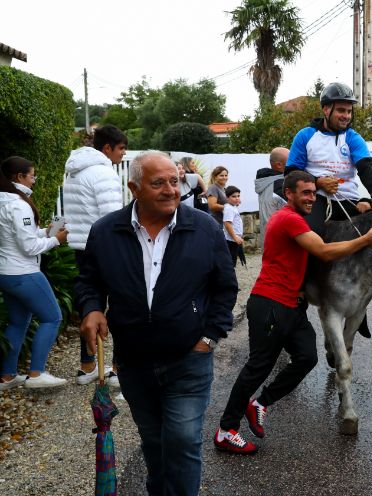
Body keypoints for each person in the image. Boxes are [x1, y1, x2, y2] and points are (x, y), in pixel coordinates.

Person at [74, 151, 238, 495]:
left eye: (174, 181)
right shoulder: (106, 232)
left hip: (188, 358)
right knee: (153, 442)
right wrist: (91, 308)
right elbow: (89, 281)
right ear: (134, 187)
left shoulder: (204, 228)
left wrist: (208, 339)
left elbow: (225, 288)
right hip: (134, 363)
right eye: (158, 182)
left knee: (181, 440)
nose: (170, 190)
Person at [215, 171, 372, 454]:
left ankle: (260, 403)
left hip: (292, 305)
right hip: (269, 303)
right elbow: (325, 252)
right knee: (258, 367)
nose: (311, 198)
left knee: (307, 357)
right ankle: (226, 430)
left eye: (313, 193)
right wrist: (365, 240)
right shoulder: (288, 218)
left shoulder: (298, 219)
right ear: (289, 194)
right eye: (305, 193)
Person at [63, 124, 125, 386]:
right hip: (104, 249)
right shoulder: (103, 173)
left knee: (90, 307)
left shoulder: (74, 171)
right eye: (121, 148)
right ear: (107, 148)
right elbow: (112, 218)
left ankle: (87, 365)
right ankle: (117, 369)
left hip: (80, 249)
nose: (123, 154)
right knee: (122, 306)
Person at [0, 156, 68, 390]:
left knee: (18, 322)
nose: (34, 181)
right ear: (19, 177)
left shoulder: (4, 201)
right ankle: (36, 373)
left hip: (6, 273)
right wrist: (55, 240)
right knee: (52, 317)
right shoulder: (19, 205)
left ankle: (7, 376)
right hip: (23, 272)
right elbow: (28, 247)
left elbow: (16, 236)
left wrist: (44, 232)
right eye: (32, 176)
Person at [286, 82, 372, 235]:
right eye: (341, 110)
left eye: (349, 111)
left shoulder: (353, 137)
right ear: (326, 109)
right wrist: (317, 182)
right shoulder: (305, 135)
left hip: (349, 199)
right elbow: (292, 172)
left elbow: (366, 167)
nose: (346, 116)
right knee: (311, 234)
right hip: (315, 198)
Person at [255, 147, 289, 249]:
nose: (295, 162)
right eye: (291, 160)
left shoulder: (266, 181)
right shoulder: (280, 185)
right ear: (279, 165)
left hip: (268, 238)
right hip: (281, 241)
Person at [223, 186, 244, 267]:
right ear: (227, 198)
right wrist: (235, 237)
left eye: (238, 196)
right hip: (231, 240)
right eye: (234, 196)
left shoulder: (232, 207)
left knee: (233, 261)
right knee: (230, 262)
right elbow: (227, 223)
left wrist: (237, 202)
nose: (237, 198)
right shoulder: (229, 208)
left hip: (234, 239)